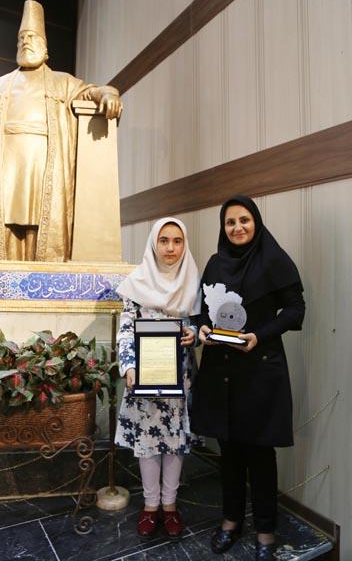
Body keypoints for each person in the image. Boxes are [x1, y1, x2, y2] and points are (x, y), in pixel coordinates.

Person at [0, 0, 122, 300]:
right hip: (5, 175)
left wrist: (109, 93)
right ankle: (1, 297)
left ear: (45, 48)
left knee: (41, 234)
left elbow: (91, 91)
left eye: (32, 37)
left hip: (45, 174)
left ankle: (40, 297)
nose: (25, 42)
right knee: (5, 236)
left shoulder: (61, 82)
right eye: (21, 38)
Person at [191, 195, 305, 561]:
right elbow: (201, 311)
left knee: (260, 454)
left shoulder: (272, 259)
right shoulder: (215, 263)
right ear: (223, 227)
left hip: (259, 369)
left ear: (255, 221)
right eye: (230, 222)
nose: (237, 227)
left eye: (244, 220)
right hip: (221, 371)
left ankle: (266, 531)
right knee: (229, 452)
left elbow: (295, 309)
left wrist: (260, 335)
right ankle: (231, 521)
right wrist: (203, 329)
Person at [115, 217, 201, 540]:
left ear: (184, 244)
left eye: (177, 241)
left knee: (175, 442)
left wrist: (194, 334)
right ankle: (150, 507)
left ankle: (170, 505)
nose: (170, 248)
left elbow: (201, 325)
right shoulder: (136, 283)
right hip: (145, 376)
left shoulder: (192, 280)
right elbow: (126, 330)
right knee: (147, 442)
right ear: (154, 243)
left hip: (180, 377)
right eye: (164, 240)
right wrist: (129, 367)